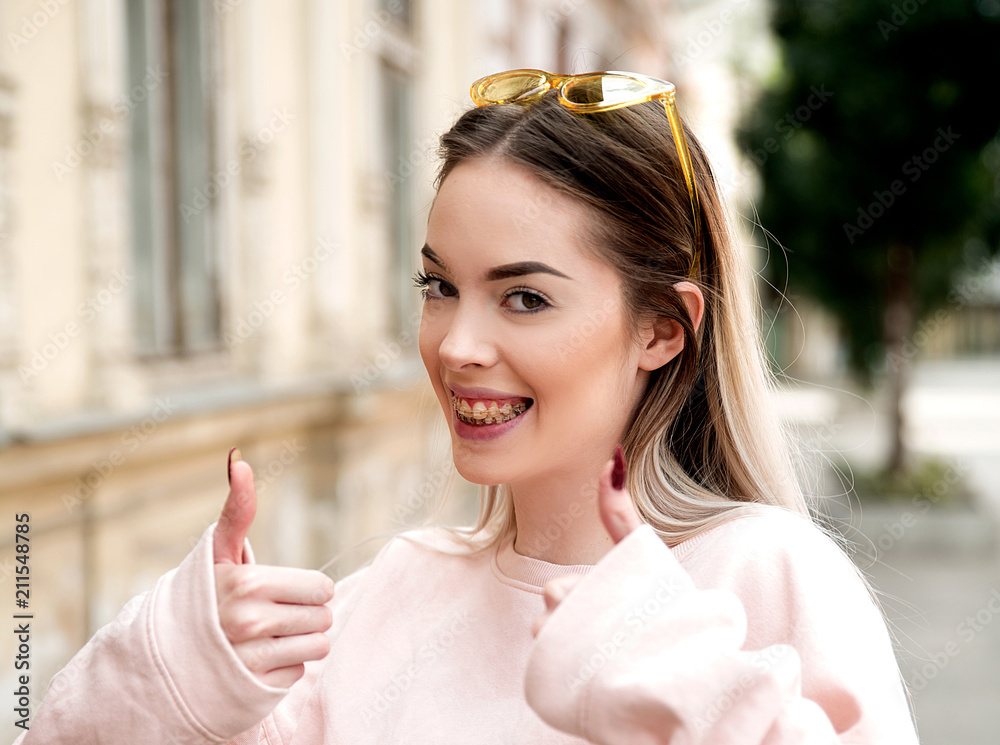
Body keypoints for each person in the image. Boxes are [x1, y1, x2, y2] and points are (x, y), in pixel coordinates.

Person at [17, 69, 919, 744]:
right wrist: (177, 669)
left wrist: (694, 694)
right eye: (439, 285)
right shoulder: (392, 597)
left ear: (663, 329)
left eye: (523, 297)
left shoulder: (769, 573)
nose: (456, 345)